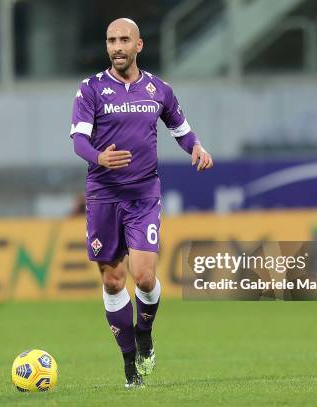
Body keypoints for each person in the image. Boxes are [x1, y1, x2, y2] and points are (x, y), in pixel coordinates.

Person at [70, 17, 213, 388]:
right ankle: (129, 362)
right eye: (110, 40)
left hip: (143, 194)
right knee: (114, 282)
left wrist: (195, 146)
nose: (116, 47)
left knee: (145, 276)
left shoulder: (158, 90)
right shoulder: (91, 90)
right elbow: (79, 141)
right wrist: (98, 157)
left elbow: (181, 129)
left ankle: (145, 333)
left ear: (139, 45)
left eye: (123, 40)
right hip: (103, 195)